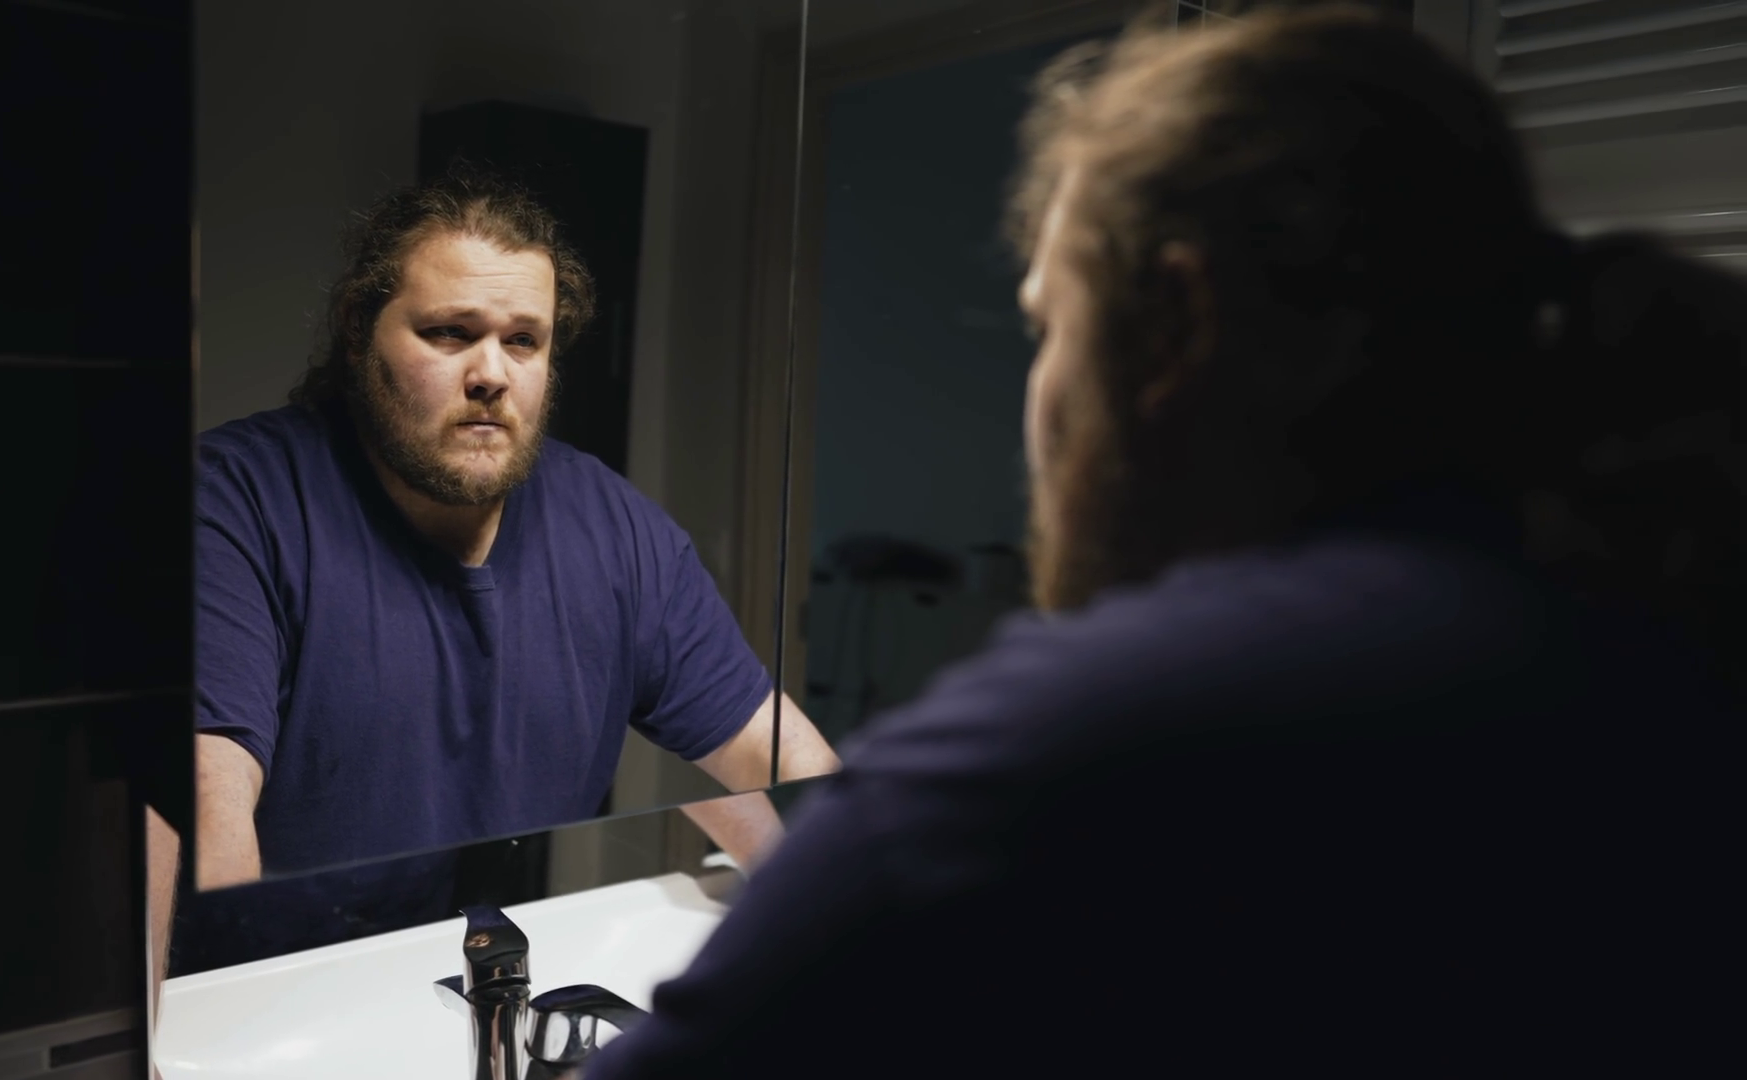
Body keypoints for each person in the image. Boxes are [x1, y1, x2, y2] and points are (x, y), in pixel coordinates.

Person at [584, 6, 1743, 1077]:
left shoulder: (1078, 745)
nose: (1037, 395)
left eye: (1050, 325)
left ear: (1178, 322)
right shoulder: (1651, 627)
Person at [147, 168, 839, 982]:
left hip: (477, 973)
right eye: (449, 333)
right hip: (266, 997)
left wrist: (865, 920)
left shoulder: (615, 529)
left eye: (523, 341)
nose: (491, 374)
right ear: (359, 331)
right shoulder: (236, 503)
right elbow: (208, 822)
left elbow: (772, 758)